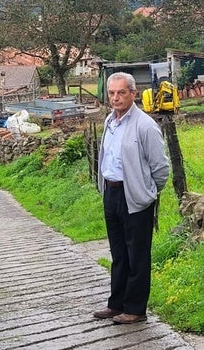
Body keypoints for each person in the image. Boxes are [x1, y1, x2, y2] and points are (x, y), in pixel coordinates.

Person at [94, 72, 170, 324]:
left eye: (121, 92)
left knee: (137, 255)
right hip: (111, 193)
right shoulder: (109, 121)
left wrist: (146, 192)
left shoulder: (145, 125)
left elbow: (161, 169)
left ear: (133, 94)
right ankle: (117, 304)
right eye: (112, 93)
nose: (115, 98)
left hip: (135, 197)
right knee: (119, 253)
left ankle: (135, 309)